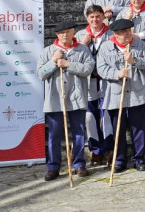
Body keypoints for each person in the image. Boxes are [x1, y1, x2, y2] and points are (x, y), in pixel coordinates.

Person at [37, 21, 95, 181]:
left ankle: (78, 164)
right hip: (55, 99)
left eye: (68, 31)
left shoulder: (82, 50)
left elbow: (88, 69)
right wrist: (53, 62)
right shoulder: (48, 51)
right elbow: (41, 74)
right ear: (56, 35)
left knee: (78, 132)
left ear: (73, 32)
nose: (64, 35)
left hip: (76, 97)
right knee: (54, 135)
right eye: (61, 32)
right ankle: (53, 166)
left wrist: (68, 64)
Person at [97, 18, 145, 172]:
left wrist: (134, 60)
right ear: (115, 34)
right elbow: (101, 69)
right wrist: (118, 73)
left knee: (138, 128)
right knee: (118, 128)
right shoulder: (105, 47)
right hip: (116, 94)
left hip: (138, 92)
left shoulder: (140, 44)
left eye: (129, 31)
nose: (128, 35)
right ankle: (119, 160)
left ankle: (139, 159)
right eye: (124, 33)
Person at [75, 6, 113, 167]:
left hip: (106, 80)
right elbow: (73, 58)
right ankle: (95, 150)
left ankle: (109, 149)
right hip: (88, 81)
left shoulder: (111, 34)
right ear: (87, 18)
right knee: (90, 116)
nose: (95, 20)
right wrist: (83, 44)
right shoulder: (79, 35)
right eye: (91, 17)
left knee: (106, 116)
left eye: (98, 16)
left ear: (103, 17)